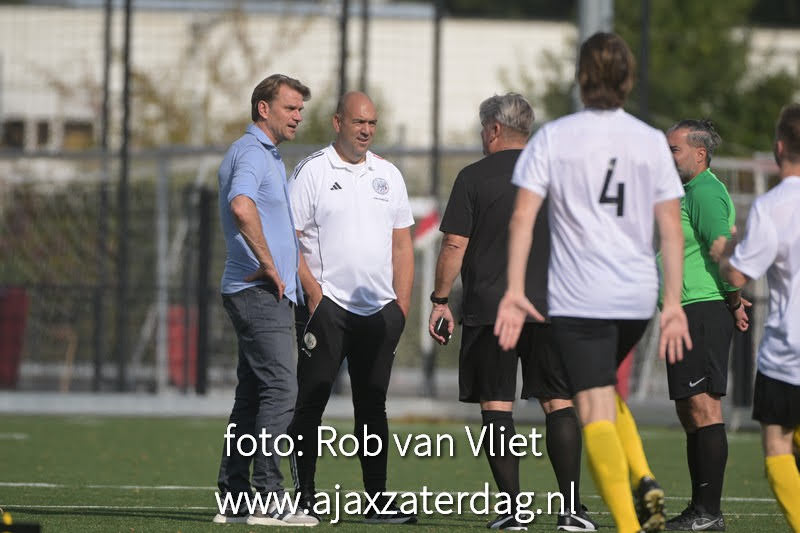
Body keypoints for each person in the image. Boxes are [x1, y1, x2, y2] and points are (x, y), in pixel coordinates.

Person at [495, 32, 692, 533]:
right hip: (636, 297)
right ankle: (643, 476)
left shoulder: (555, 137)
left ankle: (629, 524)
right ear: (628, 80)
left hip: (580, 297)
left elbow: (522, 219)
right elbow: (670, 226)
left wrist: (515, 291)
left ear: (581, 78)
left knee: (593, 405)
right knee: (601, 387)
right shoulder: (650, 141)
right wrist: (672, 303)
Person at [427, 93, 597, 532]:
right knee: (558, 402)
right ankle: (573, 511)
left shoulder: (473, 177)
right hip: (549, 306)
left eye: (484, 129)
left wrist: (440, 300)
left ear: (494, 130)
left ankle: (514, 512)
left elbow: (453, 245)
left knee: (496, 404)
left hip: (490, 307)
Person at [286, 91, 416, 524]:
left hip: (378, 311)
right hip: (328, 308)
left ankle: (377, 502)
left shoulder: (390, 175)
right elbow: (289, 236)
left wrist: (402, 305)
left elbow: (402, 244)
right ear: (337, 121)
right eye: (358, 122)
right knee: (313, 398)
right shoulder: (312, 172)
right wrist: (312, 292)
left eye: (372, 124)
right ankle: (304, 498)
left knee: (373, 406)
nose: (365, 130)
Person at [213, 74, 317, 526]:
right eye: (291, 108)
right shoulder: (252, 152)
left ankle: (235, 498)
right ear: (264, 108)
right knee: (282, 389)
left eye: (300, 109)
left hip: (260, 290)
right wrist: (271, 263)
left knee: (253, 395)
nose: (298, 116)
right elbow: (241, 205)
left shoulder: (266, 154)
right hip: (258, 291)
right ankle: (268, 497)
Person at [711, 102, 800, 533]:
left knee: (777, 444)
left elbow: (741, 272)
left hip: (789, 350)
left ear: (779, 147)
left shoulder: (774, 205)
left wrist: (723, 256)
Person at [661, 119, 749, 531]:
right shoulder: (688, 191)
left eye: (675, 149)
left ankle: (709, 513)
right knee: (689, 409)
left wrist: (733, 299)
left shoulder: (706, 191)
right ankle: (700, 508)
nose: (668, 155)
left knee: (704, 407)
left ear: (699, 153)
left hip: (703, 311)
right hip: (687, 311)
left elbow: (723, 251)